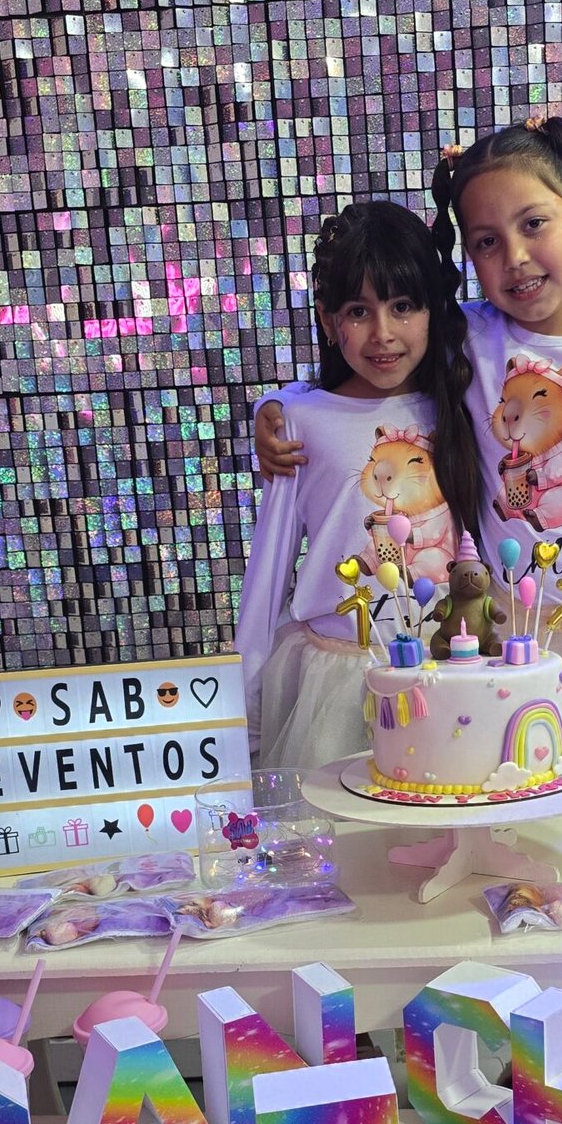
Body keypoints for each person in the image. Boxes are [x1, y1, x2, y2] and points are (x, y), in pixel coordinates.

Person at [258, 119, 562, 756]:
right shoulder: (467, 337)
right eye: (487, 242)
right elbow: (370, 365)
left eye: (534, 224)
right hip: (514, 645)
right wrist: (279, 405)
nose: (515, 257)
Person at [234, 200, 483, 769]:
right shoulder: (300, 422)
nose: (383, 333)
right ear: (327, 321)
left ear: (432, 310)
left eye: (403, 307)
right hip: (338, 681)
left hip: (457, 673)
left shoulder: (462, 402)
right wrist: (243, 717)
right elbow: (267, 574)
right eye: (358, 311)